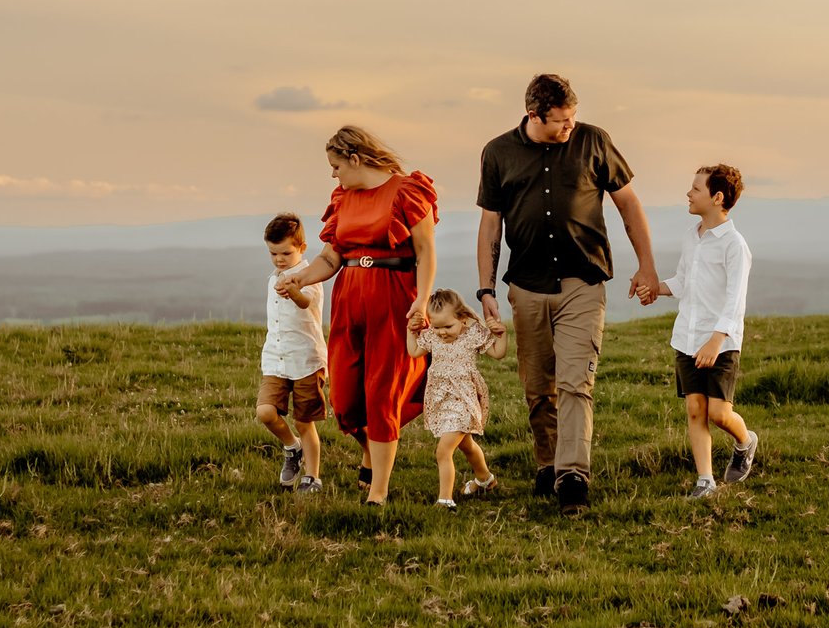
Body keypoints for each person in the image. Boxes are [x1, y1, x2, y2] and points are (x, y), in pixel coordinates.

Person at [475, 72, 660, 509]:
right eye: (562, 120)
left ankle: (573, 475)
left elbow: (628, 202)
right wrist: (486, 289)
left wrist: (646, 266)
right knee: (539, 387)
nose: (570, 126)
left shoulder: (595, 141)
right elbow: (490, 225)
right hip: (526, 285)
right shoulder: (497, 152)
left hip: (584, 280)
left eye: (574, 117)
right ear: (534, 115)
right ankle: (548, 464)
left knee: (577, 383)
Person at [275, 126, 437, 505]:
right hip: (350, 296)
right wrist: (299, 276)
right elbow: (332, 256)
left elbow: (426, 252)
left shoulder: (409, 190)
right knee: (346, 400)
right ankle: (370, 450)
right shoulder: (343, 198)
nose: (333, 174)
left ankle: (378, 491)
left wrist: (423, 300)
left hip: (394, 296)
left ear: (355, 158)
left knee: (382, 394)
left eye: (336, 166)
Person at [655, 163, 758, 500]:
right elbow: (684, 282)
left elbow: (735, 301)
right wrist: (656, 289)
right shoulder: (691, 237)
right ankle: (705, 481)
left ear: (716, 197)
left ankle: (745, 442)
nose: (688, 193)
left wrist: (716, 340)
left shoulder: (734, 245)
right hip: (687, 337)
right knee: (695, 410)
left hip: (721, 343)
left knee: (718, 413)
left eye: (696, 188)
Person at [407, 289, 507, 508]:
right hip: (442, 400)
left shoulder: (472, 335)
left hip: (464, 400)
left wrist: (502, 335)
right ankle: (485, 479)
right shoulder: (433, 336)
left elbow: (498, 353)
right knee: (467, 445)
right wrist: (411, 331)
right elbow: (414, 352)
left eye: (447, 326)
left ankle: (445, 500)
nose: (442, 332)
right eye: (437, 327)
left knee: (443, 451)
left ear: (462, 318)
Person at [255, 212, 328, 492]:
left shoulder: (310, 277)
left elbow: (305, 303)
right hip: (275, 359)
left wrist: (294, 290)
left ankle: (313, 476)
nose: (279, 259)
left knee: (304, 421)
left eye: (286, 252)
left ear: (302, 248)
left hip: (306, 360)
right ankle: (291, 447)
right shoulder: (272, 278)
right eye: (273, 253)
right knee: (265, 412)